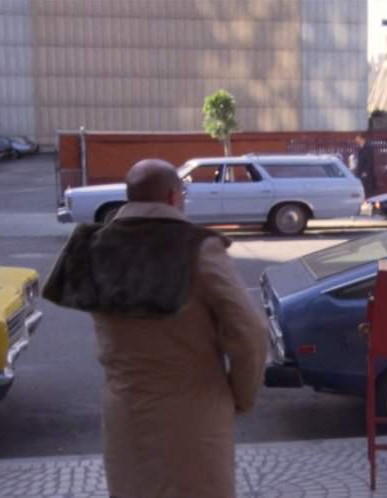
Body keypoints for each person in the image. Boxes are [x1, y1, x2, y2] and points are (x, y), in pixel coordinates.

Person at [42, 159, 268, 498]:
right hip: (194, 411)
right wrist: (242, 396)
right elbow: (249, 333)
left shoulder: (94, 246)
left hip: (125, 410)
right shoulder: (197, 249)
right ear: (173, 197)